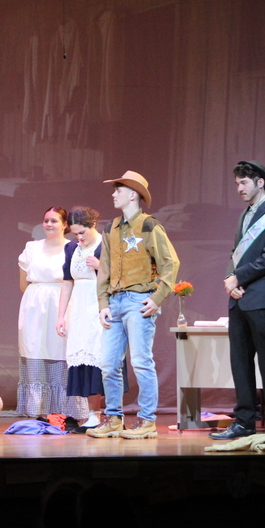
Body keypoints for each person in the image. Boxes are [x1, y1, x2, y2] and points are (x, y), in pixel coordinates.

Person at [92, 171, 179, 440]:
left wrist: (157, 298)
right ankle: (114, 419)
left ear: (133, 194)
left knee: (141, 361)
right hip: (115, 301)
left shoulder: (149, 226)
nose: (113, 194)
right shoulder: (112, 227)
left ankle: (147, 421)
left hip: (137, 301)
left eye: (118, 190)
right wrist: (103, 302)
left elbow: (170, 263)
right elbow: (104, 268)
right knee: (108, 364)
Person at [211, 160, 265, 439]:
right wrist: (229, 282)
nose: (239, 188)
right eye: (236, 183)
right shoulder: (245, 215)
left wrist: (238, 278)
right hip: (239, 298)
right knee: (240, 362)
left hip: (263, 298)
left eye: (244, 182)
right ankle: (244, 421)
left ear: (260, 182)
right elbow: (236, 253)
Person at [17, 206, 85, 420]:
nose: (48, 224)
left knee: (61, 353)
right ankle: (38, 410)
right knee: (35, 349)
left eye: (54, 221)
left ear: (65, 224)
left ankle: (67, 412)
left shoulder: (74, 247)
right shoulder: (32, 247)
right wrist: (38, 299)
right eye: (46, 220)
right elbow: (23, 283)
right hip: (35, 306)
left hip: (62, 305)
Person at [56, 206, 109, 429]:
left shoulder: (106, 244)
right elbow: (67, 283)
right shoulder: (71, 248)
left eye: (82, 233)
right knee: (82, 361)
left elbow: (121, 277)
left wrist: (102, 267)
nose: (79, 237)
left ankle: (111, 414)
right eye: (75, 233)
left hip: (100, 306)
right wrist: (61, 316)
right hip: (78, 309)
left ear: (92, 226)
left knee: (100, 359)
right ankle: (92, 414)